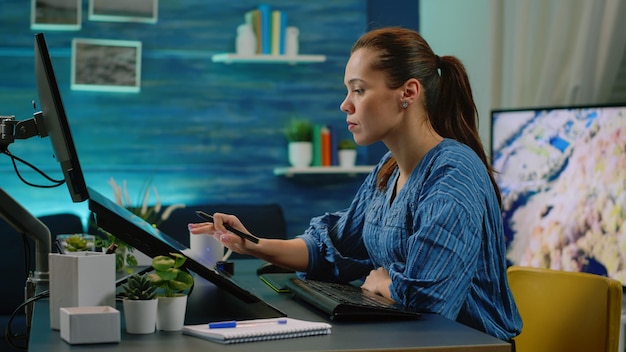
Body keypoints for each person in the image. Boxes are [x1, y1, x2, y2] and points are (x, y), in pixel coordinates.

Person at [189, 27, 522, 341]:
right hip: (408, 340)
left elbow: (431, 301)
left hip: (467, 344)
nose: (345, 104)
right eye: (348, 90)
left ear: (408, 92)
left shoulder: (454, 173)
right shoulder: (388, 171)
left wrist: (384, 285)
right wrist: (255, 243)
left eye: (359, 90)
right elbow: (334, 247)